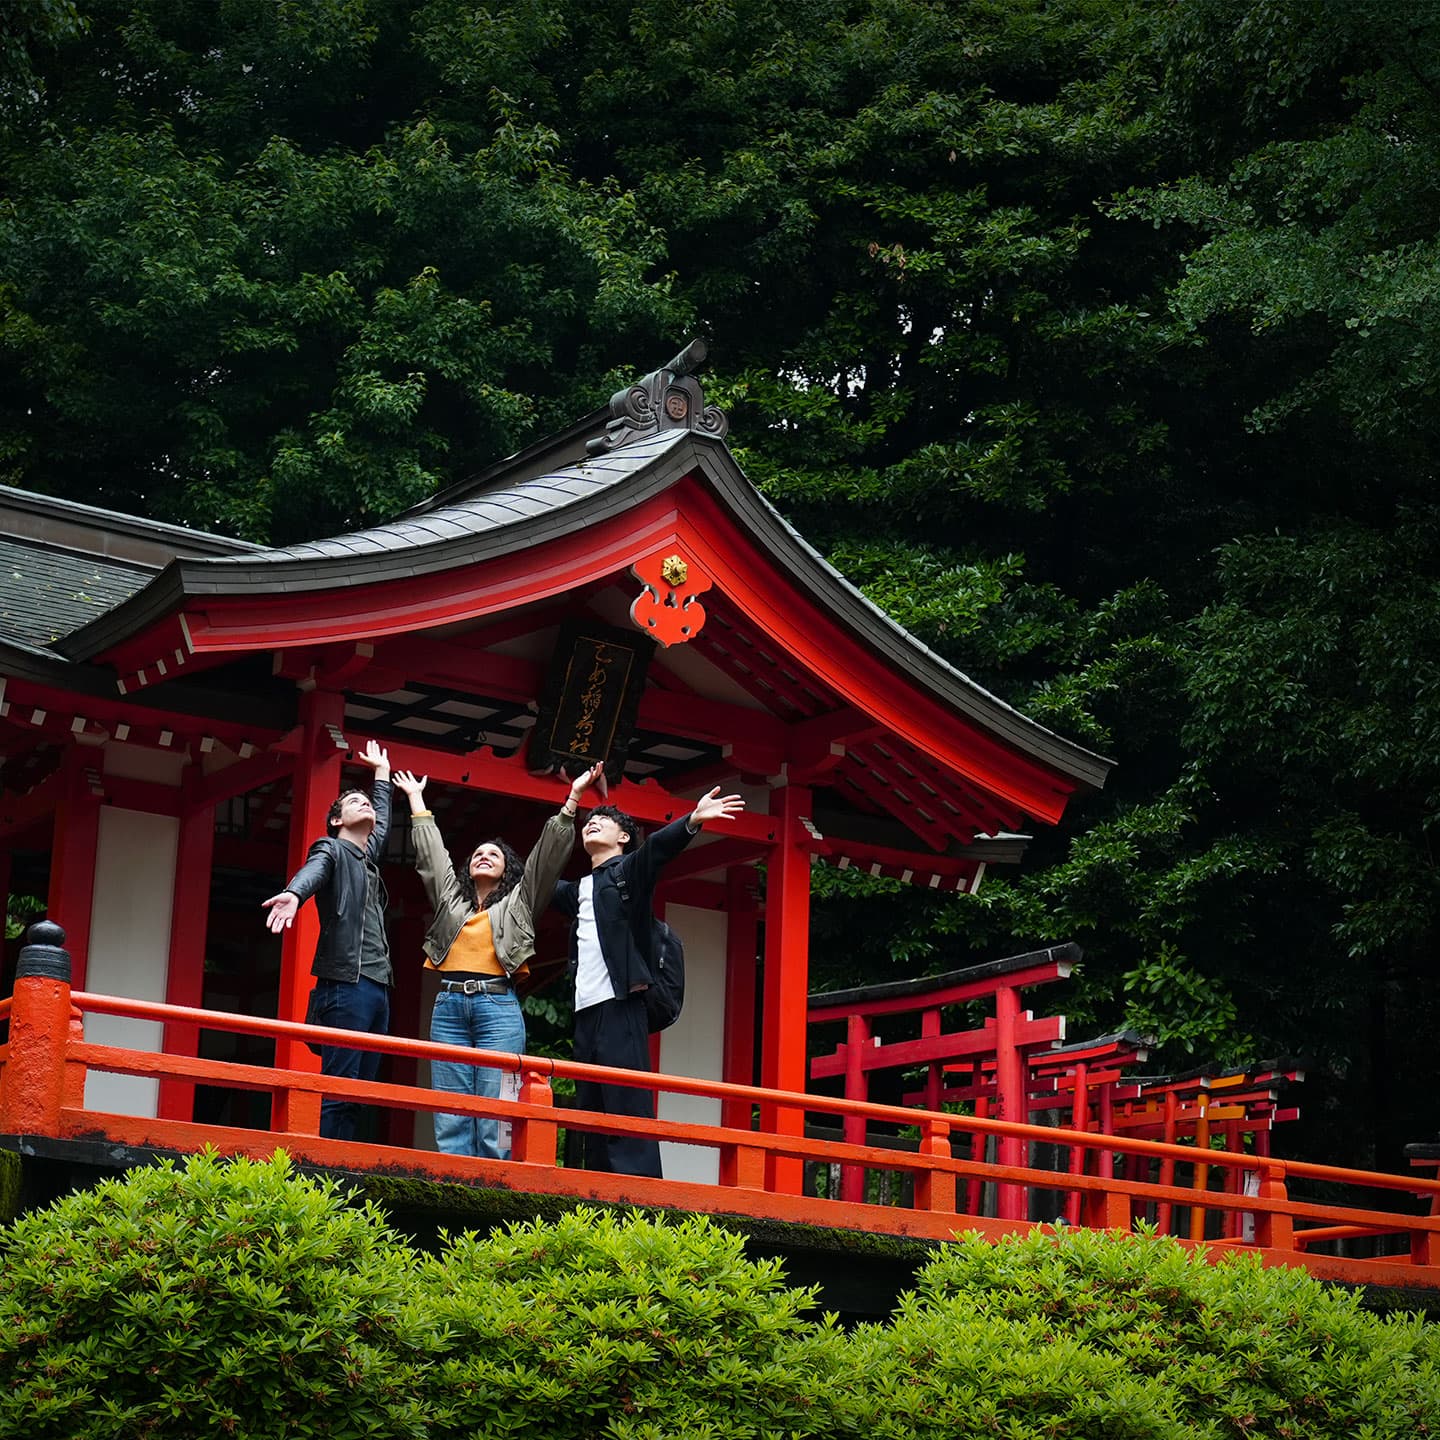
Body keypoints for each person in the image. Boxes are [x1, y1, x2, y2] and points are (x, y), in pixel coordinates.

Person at [392, 763, 603, 1159]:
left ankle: (493, 1183)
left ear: (508, 868)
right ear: (468, 869)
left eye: (493, 854)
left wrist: (572, 799)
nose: (484, 857)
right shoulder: (450, 903)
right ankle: (455, 1178)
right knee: (451, 1105)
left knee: (496, 1105)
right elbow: (432, 858)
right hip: (449, 1004)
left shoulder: (519, 904)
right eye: (477, 854)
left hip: (497, 1005)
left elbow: (545, 860)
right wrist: (416, 799)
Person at [552, 785, 746, 1177]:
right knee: (591, 1104)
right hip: (586, 1010)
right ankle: (597, 1189)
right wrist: (570, 802)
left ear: (623, 838)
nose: (592, 824)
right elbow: (536, 878)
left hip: (622, 1004)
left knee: (627, 1102)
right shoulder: (576, 891)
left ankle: (637, 1193)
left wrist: (692, 820)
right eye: (588, 822)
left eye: (602, 821)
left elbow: (656, 849)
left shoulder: (627, 872)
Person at [261, 740, 393, 1142]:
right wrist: (295, 894)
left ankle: (345, 1158)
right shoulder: (331, 849)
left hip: (378, 986)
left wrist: (382, 778)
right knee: (339, 1085)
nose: (365, 805)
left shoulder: (367, 858)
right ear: (336, 820)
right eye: (355, 802)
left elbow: (382, 822)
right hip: (346, 984)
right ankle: (328, 1170)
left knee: (361, 1088)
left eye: (366, 802)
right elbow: (314, 870)